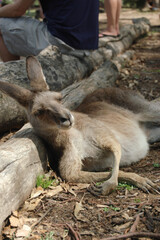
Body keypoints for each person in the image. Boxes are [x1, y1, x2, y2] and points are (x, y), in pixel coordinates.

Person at [0, 0, 99, 62]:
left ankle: (14, 77)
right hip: (88, 44)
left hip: (63, 43)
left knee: (1, 23)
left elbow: (17, 10)